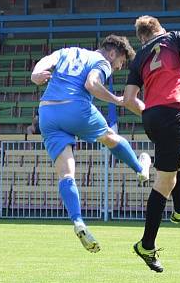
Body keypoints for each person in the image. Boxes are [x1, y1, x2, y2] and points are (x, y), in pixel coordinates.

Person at [31, 35, 151, 252]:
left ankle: (78, 222)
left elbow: (45, 61)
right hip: (75, 106)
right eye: (120, 63)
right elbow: (92, 84)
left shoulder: (68, 50)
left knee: (66, 174)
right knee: (110, 137)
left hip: (47, 112)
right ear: (113, 52)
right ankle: (140, 169)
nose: (117, 67)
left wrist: (35, 75)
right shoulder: (102, 61)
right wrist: (116, 100)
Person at [123, 15, 180, 272]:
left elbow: (129, 99)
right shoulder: (176, 36)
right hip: (170, 113)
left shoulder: (140, 56)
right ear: (159, 28)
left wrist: (149, 113)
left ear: (142, 37)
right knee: (165, 182)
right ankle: (146, 244)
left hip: (151, 116)